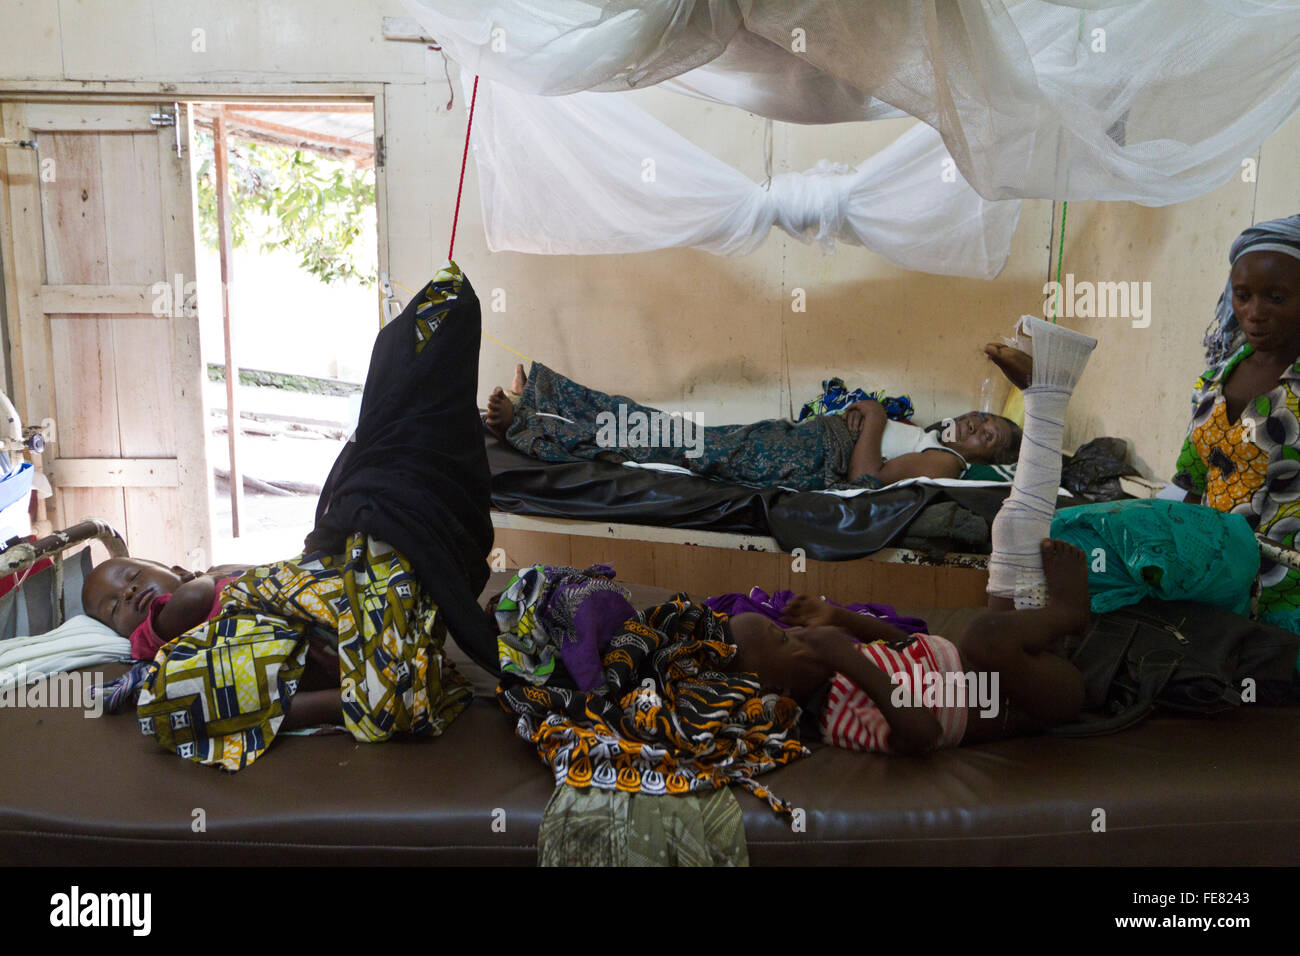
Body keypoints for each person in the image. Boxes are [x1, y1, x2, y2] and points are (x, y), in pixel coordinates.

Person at [92, 262, 498, 764]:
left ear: (169, 567)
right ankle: (346, 703)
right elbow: (200, 599)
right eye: (113, 608)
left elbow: (299, 577)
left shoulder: (220, 575)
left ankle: (371, 682)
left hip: (326, 627)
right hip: (291, 652)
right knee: (176, 694)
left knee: (380, 555)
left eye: (129, 574)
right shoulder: (155, 634)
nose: (127, 593)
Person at [728, 315, 1099, 753]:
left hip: (1008, 669)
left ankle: (1047, 393)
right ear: (779, 689)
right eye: (784, 640)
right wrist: (845, 656)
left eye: (786, 631)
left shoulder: (844, 667)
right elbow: (924, 735)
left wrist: (840, 620)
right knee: (982, 636)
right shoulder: (836, 718)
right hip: (1031, 700)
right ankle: (1071, 612)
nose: (801, 637)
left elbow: (908, 644)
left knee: (1010, 526)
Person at [484, 360, 1022, 490]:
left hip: (799, 458)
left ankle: (529, 428)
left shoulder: (946, 463)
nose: (975, 423)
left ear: (984, 457)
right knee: (662, 429)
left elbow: (865, 484)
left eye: (988, 434)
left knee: (662, 439)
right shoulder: (936, 441)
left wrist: (875, 417)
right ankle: (541, 400)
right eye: (981, 417)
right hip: (798, 443)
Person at [1173, 215, 1300, 633]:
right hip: (1213, 580)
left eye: (1276, 298)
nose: (1254, 313)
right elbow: (1193, 483)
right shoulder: (1213, 380)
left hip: (1284, 597)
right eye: (1243, 296)